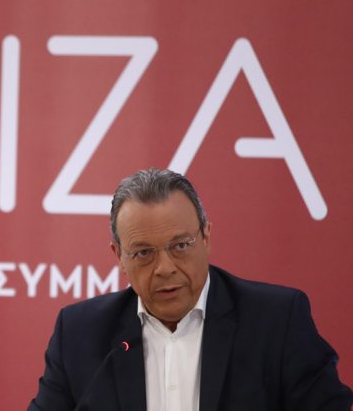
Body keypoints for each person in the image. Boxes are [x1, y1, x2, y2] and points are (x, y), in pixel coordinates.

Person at [28, 168, 352, 411]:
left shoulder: (276, 322)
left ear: (206, 237)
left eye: (180, 245)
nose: (165, 267)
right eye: (144, 253)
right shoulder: (80, 334)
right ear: (119, 257)